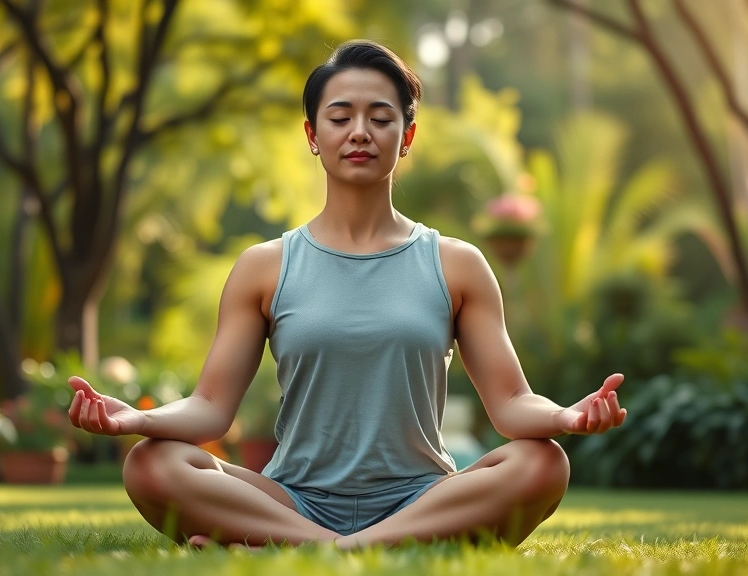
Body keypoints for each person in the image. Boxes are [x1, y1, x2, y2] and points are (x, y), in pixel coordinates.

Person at [66, 39, 627, 550]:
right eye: (340, 118)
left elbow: (511, 405)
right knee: (150, 466)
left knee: (544, 464)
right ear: (313, 135)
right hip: (293, 499)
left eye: (380, 118)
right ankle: (366, 547)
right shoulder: (265, 266)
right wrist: (135, 421)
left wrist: (566, 416)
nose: (360, 132)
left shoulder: (456, 264)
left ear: (406, 138)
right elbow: (209, 409)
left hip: (421, 499)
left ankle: (309, 551)